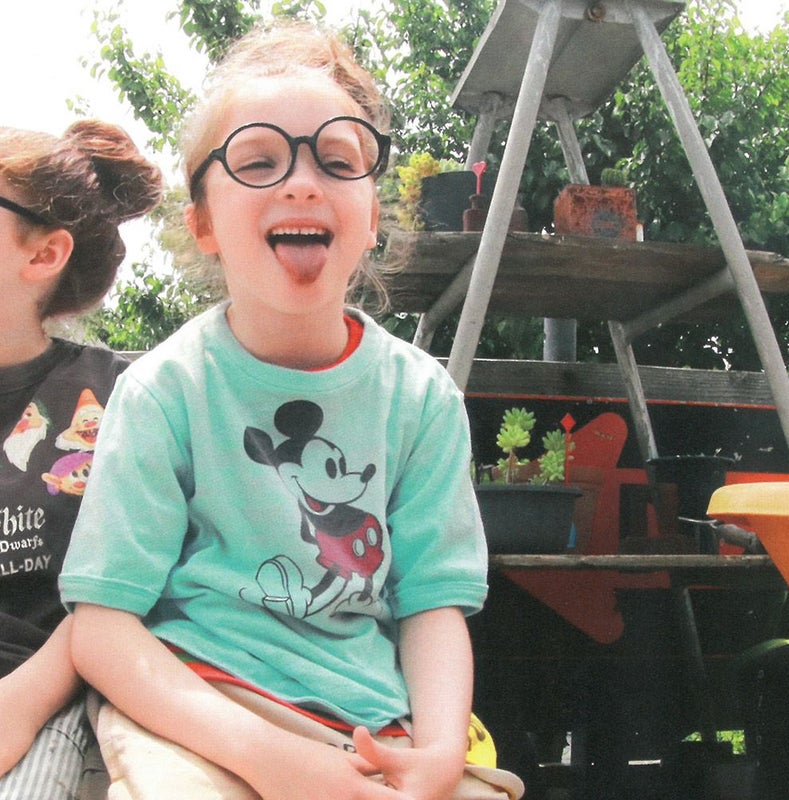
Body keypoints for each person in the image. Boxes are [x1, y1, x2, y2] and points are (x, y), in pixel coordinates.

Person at [60, 21, 524, 800]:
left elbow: (433, 605)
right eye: (258, 161)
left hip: (370, 723)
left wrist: (442, 751)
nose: (302, 183)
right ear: (203, 222)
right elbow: (102, 628)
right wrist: (272, 761)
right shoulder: (165, 392)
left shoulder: (422, 400)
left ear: (371, 217)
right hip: (200, 708)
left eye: (337, 161)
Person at [0, 121, 162, 797]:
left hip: (45, 701)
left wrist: (21, 705)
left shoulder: (125, 397)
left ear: (44, 254)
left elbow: (141, 585)